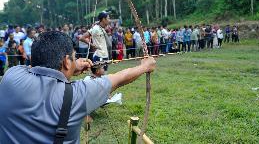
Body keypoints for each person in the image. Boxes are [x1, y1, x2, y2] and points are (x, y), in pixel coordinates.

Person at [0, 31, 156, 143]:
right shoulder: (77, 95)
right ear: (66, 61)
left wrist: (70, 68)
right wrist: (144, 67)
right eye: (74, 58)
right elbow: (119, 78)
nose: (76, 61)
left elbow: (34, 67)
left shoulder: (11, 76)